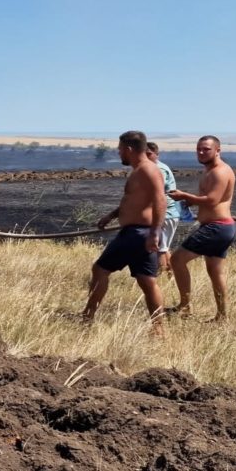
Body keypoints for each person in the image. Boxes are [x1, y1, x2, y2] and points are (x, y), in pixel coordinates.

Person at [81, 131, 166, 329]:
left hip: (137, 234)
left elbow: (160, 200)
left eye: (120, 150)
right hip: (138, 233)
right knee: (147, 281)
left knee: (100, 270)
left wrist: (155, 232)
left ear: (128, 149)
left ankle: (87, 317)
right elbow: (134, 202)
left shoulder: (148, 170)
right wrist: (111, 215)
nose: (119, 153)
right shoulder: (140, 170)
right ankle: (159, 329)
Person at [168, 135, 236, 321]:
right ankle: (222, 317)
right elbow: (208, 201)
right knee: (215, 272)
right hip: (220, 227)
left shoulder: (220, 172)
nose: (201, 152)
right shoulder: (209, 171)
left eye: (206, 149)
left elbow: (213, 199)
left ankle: (185, 306)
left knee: (176, 260)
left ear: (217, 150)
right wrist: (190, 202)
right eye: (198, 149)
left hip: (217, 227)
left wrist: (184, 196)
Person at [145, 141, 181, 272]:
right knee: (164, 247)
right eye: (144, 154)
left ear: (156, 154)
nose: (146, 157)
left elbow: (157, 194)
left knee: (159, 249)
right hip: (168, 213)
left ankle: (160, 279)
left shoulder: (159, 170)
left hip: (166, 213)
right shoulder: (154, 168)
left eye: (149, 154)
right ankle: (171, 276)